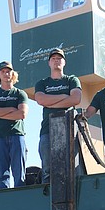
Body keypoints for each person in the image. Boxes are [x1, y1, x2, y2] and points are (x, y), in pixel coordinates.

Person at [34, 48, 82, 183]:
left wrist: (50, 102)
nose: (56, 61)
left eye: (59, 58)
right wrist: (63, 97)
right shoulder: (42, 83)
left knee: (72, 167)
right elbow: (41, 100)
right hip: (47, 130)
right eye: (53, 58)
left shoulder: (72, 80)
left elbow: (76, 99)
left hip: (69, 129)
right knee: (47, 168)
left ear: (64, 62)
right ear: (49, 63)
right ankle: (47, 196)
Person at [0, 61, 29, 189]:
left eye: (8, 71)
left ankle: (20, 194)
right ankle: (4, 195)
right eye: (3, 71)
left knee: (19, 171)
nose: (6, 74)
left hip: (16, 135)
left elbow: (21, 114)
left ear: (13, 74)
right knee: (2, 174)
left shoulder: (20, 94)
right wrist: (11, 109)